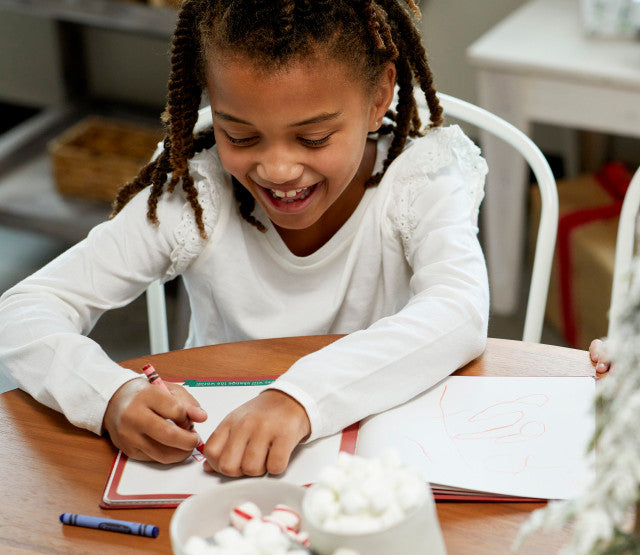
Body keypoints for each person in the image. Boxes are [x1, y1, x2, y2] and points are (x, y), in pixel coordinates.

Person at [0, 0, 489, 477]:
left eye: (314, 138)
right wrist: (108, 394)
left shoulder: (419, 179)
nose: (277, 169)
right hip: (216, 466)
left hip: (375, 461)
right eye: (241, 136)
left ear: (380, 95)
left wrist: (298, 398)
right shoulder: (198, 191)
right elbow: (26, 308)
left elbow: (459, 309)